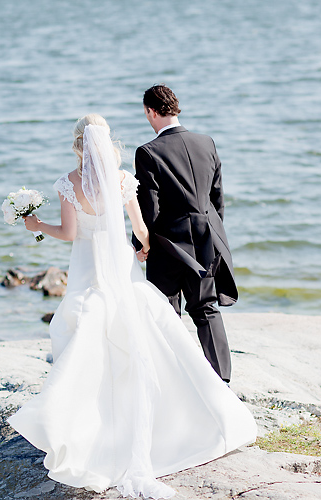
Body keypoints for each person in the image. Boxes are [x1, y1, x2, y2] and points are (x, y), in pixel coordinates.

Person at [7, 114, 256, 499]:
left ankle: (85, 422)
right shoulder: (122, 180)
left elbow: (70, 233)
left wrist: (36, 225)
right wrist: (143, 248)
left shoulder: (69, 183)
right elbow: (141, 229)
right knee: (135, 333)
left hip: (87, 269)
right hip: (119, 267)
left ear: (77, 143)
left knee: (83, 331)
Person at [133, 85, 237, 383]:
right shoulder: (207, 142)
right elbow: (217, 198)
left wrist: (140, 244)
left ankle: (174, 379)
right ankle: (222, 380)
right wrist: (213, 234)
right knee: (205, 308)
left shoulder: (148, 152)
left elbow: (148, 208)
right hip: (207, 238)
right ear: (176, 109)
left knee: (166, 311)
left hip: (169, 245)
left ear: (151, 111)